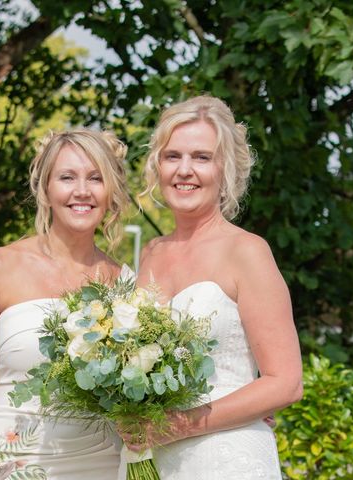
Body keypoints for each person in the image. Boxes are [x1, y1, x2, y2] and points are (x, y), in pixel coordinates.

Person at [125, 96, 303, 479]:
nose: (184, 170)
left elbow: (286, 383)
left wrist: (175, 425)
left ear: (226, 169)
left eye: (202, 157)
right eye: (173, 156)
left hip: (228, 456)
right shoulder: (151, 254)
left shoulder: (248, 252)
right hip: (156, 461)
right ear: (158, 165)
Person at [0, 129, 129, 479]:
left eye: (95, 178)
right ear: (45, 188)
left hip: (100, 466)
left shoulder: (125, 285)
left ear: (110, 192)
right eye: (67, 177)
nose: (82, 191)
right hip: (12, 462)